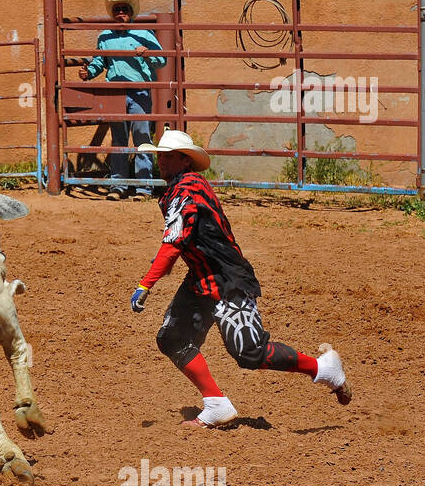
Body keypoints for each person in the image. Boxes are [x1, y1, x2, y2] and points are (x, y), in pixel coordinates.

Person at [130, 129, 353, 427]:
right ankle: (216, 404)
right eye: (161, 156)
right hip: (202, 278)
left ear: (185, 161)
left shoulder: (186, 191)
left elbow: (173, 245)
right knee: (173, 338)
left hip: (226, 280)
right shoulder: (182, 188)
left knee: (250, 353)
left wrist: (146, 284)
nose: (162, 162)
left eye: (168, 157)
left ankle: (323, 368)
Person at [77, 0, 165, 201]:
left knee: (142, 137)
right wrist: (88, 73)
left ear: (131, 13)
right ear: (113, 14)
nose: (121, 13)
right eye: (117, 10)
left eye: (124, 10)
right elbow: (100, 62)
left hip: (139, 91)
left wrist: (148, 52)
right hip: (115, 91)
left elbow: (162, 60)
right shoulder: (105, 36)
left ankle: (144, 188)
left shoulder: (144, 33)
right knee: (119, 140)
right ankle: (118, 186)